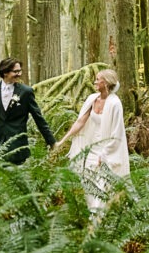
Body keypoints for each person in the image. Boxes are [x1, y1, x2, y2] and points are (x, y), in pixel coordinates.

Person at [54, 69, 130, 209]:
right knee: (89, 181)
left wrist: (105, 152)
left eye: (98, 79)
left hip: (107, 149)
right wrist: (63, 140)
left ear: (106, 82)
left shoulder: (114, 103)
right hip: (91, 147)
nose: (95, 82)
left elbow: (117, 132)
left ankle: (98, 216)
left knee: (102, 183)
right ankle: (91, 212)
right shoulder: (92, 99)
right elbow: (80, 122)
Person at [0, 57, 56, 164]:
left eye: (20, 71)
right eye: (16, 71)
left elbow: (38, 118)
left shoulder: (26, 92)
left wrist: (52, 142)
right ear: (5, 72)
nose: (19, 74)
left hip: (17, 144)